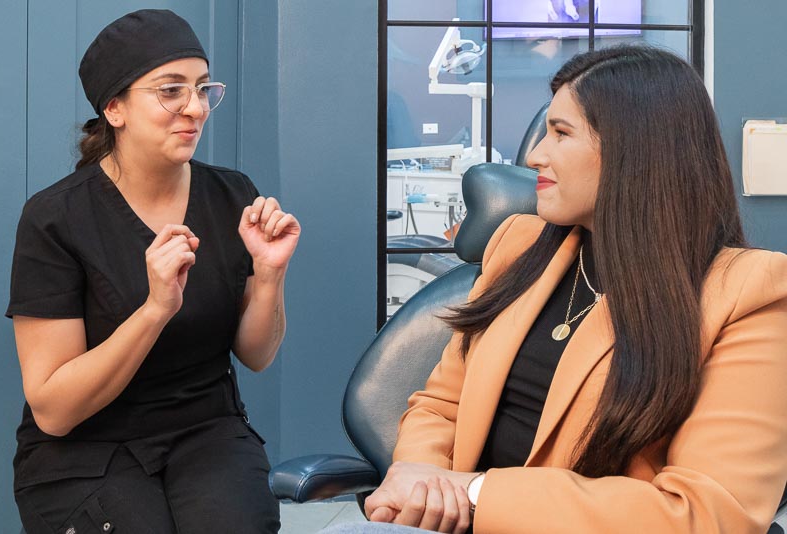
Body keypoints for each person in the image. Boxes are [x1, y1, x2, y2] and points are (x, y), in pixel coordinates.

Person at [322, 45, 787, 534]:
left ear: (637, 153)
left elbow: (707, 513)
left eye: (560, 133)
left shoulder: (749, 295)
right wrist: (423, 486)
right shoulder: (518, 248)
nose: (533, 155)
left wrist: (475, 492)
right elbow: (439, 405)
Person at [6, 9, 298, 534]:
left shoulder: (233, 196)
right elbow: (53, 410)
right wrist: (155, 310)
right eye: (171, 91)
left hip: (206, 435)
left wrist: (270, 274)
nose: (195, 107)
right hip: (85, 452)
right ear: (114, 108)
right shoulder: (55, 219)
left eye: (204, 88)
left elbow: (255, 355)